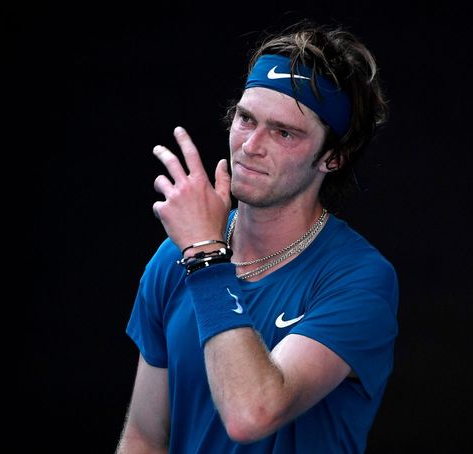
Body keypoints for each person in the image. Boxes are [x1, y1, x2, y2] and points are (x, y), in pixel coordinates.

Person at [116, 19, 398, 454]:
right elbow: (145, 438)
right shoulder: (176, 257)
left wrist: (206, 254)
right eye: (246, 119)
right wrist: (199, 250)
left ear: (334, 158)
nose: (250, 145)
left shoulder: (359, 279)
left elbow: (253, 414)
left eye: (284, 132)